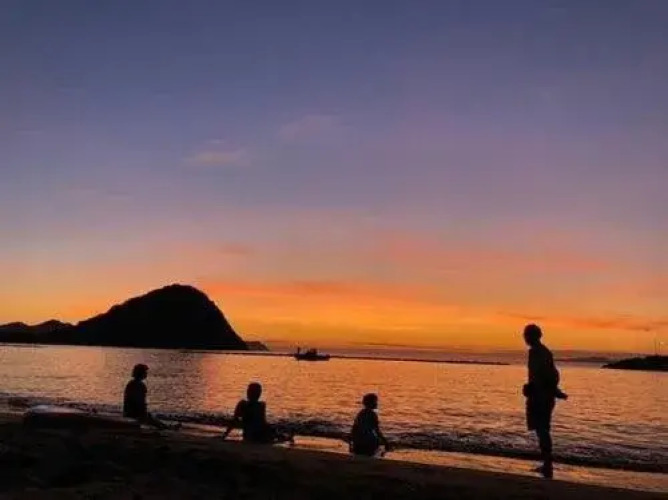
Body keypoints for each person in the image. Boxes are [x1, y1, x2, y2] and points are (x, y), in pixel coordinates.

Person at [522, 324, 568, 478]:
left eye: (527, 335)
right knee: (541, 429)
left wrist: (554, 391)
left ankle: (548, 464)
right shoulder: (536, 352)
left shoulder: (541, 352)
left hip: (542, 397)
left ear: (534, 336)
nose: (525, 338)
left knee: (542, 429)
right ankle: (546, 463)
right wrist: (530, 387)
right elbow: (543, 375)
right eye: (525, 335)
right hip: (538, 395)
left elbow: (550, 375)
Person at [222, 382, 293, 444]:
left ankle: (284, 437)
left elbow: (262, 422)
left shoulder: (260, 405)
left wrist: (225, 435)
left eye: (256, 392)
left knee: (271, 429)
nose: (249, 393)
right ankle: (285, 437)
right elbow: (234, 421)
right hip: (252, 436)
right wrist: (225, 435)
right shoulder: (244, 404)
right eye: (250, 391)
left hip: (257, 434)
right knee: (271, 431)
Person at [123, 363, 178, 430]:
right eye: (145, 372)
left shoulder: (131, 383)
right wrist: (143, 414)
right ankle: (167, 427)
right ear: (141, 373)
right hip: (134, 414)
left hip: (128, 413)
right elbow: (139, 403)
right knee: (151, 418)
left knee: (151, 417)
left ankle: (166, 426)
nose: (146, 374)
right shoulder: (140, 385)